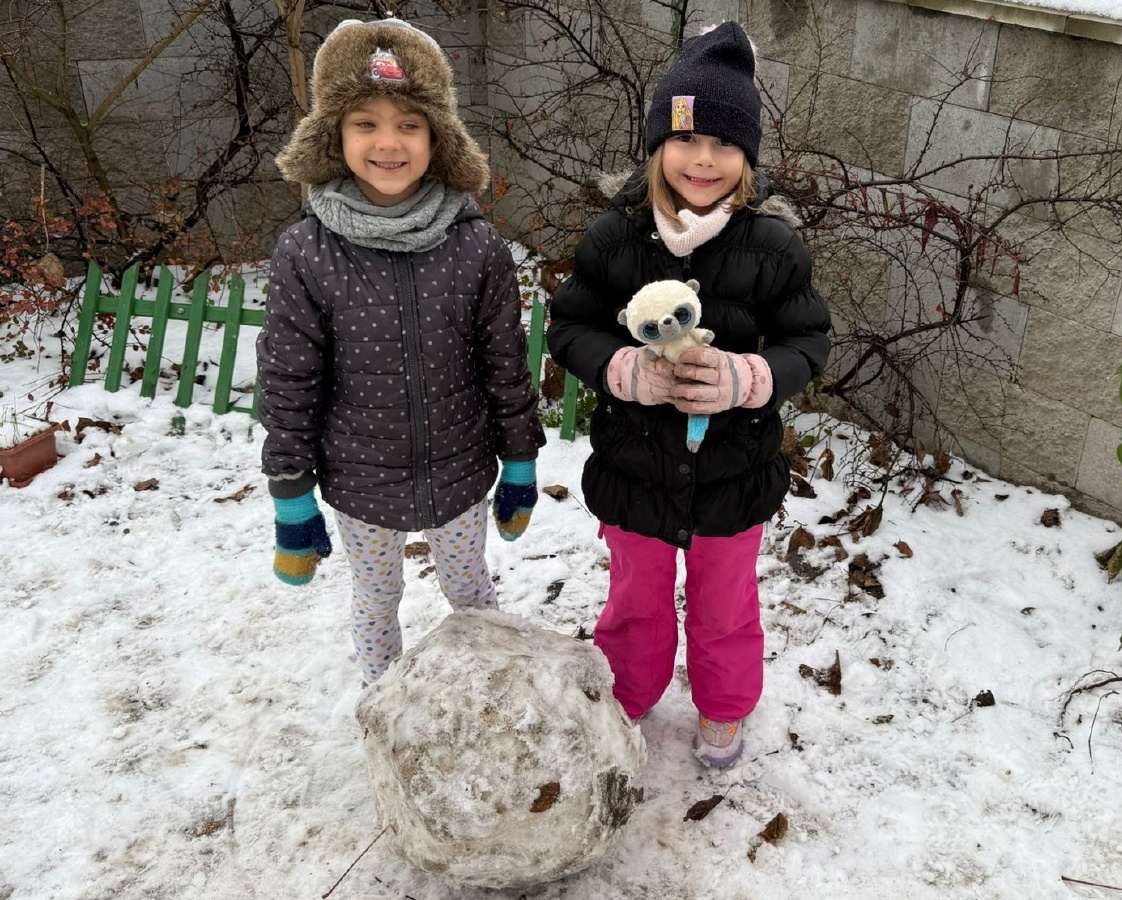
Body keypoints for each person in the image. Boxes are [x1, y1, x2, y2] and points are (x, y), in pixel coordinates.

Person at [546, 21, 832, 768]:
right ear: (657, 145)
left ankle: (724, 705)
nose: (703, 159)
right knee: (634, 598)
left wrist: (749, 378)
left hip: (731, 472)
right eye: (685, 139)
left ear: (747, 156)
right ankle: (629, 691)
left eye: (724, 143)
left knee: (724, 604)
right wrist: (623, 370)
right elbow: (569, 326)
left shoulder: (772, 247)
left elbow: (808, 341)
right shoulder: (614, 239)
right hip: (635, 468)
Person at [257, 16, 545, 687]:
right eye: (365, 123)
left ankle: (489, 691)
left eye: (409, 124)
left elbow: (505, 364)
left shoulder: (476, 246)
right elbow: (290, 377)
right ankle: (381, 700)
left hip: (459, 469)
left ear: (437, 138)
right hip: (359, 479)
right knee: (375, 596)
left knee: (470, 590)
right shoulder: (306, 251)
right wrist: (291, 491)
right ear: (335, 135)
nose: (388, 142)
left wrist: (520, 460)